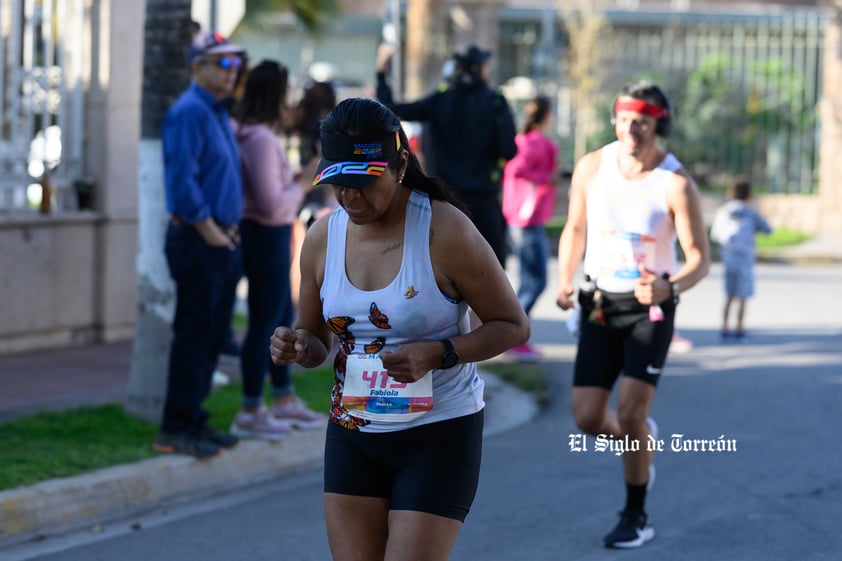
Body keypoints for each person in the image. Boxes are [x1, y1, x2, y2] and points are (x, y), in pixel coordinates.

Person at [268, 97, 529, 561]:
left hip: (438, 431)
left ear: (400, 165)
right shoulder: (321, 238)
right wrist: (297, 345)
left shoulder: (444, 231)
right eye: (338, 185)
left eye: (364, 183)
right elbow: (316, 343)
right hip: (353, 429)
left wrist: (441, 352)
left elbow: (512, 325)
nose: (350, 198)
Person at [555, 80, 710, 548]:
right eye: (624, 120)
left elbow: (700, 257)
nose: (631, 130)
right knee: (586, 417)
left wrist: (670, 285)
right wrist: (565, 279)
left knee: (630, 409)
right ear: (615, 120)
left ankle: (636, 514)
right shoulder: (591, 167)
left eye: (641, 122)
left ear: (658, 123)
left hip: (650, 310)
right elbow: (575, 227)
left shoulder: (675, 182)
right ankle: (637, 437)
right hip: (600, 304)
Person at [154, 30, 247, 458]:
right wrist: (209, 229)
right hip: (197, 240)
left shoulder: (215, 111)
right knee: (193, 336)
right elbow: (182, 180)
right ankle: (175, 426)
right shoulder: (190, 111)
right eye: (222, 63)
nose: (232, 71)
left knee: (211, 337)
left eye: (235, 63)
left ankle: (193, 419)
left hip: (218, 239)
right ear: (198, 67)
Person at [229, 60, 326, 440]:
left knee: (276, 317)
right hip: (265, 234)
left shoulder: (252, 135)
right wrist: (303, 181)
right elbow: (272, 204)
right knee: (266, 325)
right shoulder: (261, 140)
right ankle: (253, 407)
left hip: (265, 234)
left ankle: (281, 399)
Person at [375, 43, 518, 267]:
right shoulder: (496, 102)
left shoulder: (440, 100)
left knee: (442, 271)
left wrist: (382, 71)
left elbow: (391, 109)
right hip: (484, 202)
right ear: (480, 69)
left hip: (444, 203)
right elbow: (508, 149)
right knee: (492, 271)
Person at [502, 95, 560, 361]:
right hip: (526, 221)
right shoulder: (536, 142)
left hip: (524, 220)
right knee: (534, 282)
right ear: (547, 115)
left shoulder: (524, 139)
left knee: (531, 281)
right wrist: (546, 178)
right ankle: (514, 337)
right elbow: (517, 170)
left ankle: (515, 337)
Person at [710, 174, 772, 339]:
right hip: (745, 261)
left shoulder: (724, 211)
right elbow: (767, 229)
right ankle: (739, 328)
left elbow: (716, 234)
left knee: (729, 295)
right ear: (749, 194)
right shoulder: (750, 212)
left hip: (729, 260)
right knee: (743, 297)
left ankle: (724, 327)